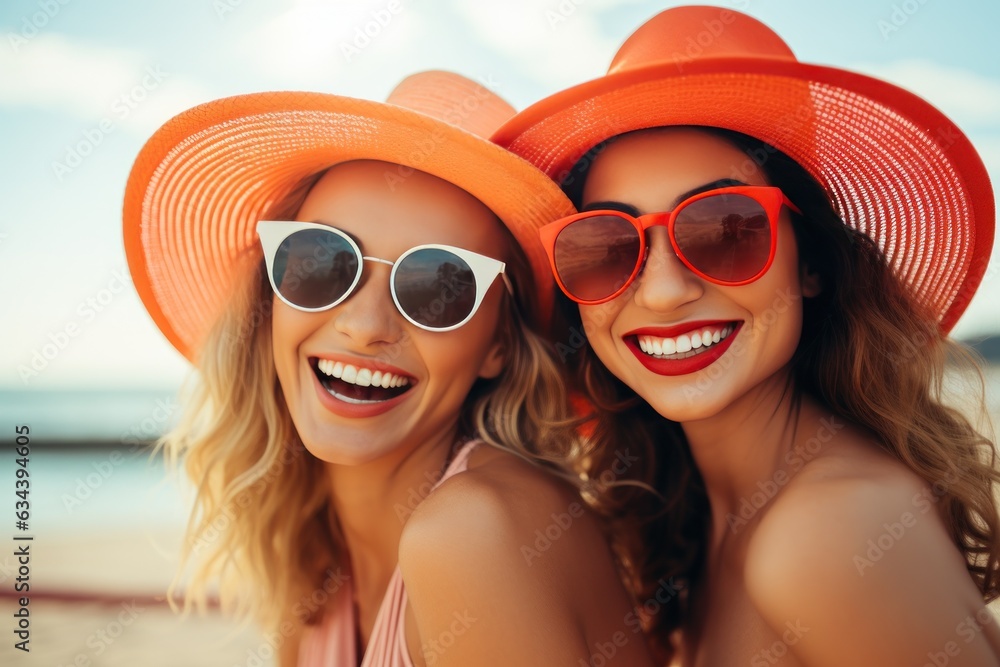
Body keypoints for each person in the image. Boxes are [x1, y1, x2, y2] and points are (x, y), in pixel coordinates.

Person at [494, 6, 1000, 665]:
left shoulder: (832, 533)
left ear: (812, 262)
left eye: (726, 229)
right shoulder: (686, 519)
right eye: (606, 247)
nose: (663, 291)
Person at [123, 71, 655, 667]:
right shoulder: (315, 555)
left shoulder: (471, 533)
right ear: (270, 298)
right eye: (320, 261)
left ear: (498, 345)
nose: (365, 324)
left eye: (439, 285)